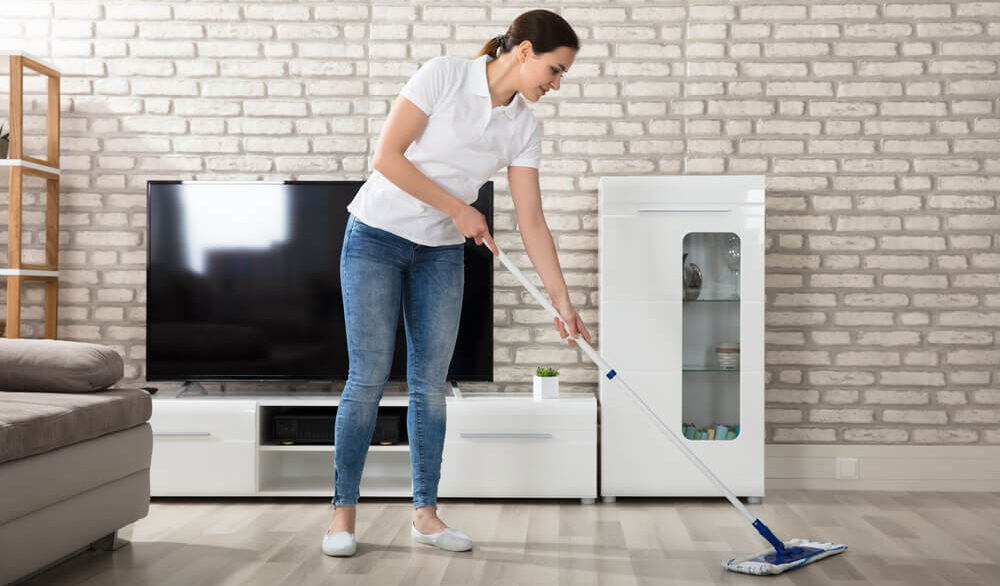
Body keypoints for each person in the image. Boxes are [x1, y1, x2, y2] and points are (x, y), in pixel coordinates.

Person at [323, 9, 591, 557]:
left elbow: (533, 222)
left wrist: (563, 303)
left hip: (440, 253)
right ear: (524, 53)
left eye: (563, 75)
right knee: (368, 376)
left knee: (430, 386)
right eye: (555, 70)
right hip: (375, 235)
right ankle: (342, 515)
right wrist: (458, 208)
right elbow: (387, 158)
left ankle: (425, 515)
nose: (557, 84)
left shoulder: (523, 127)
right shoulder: (443, 75)